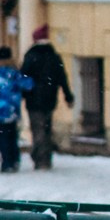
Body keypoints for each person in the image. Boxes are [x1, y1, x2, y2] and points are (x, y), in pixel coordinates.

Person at [22, 27, 75, 171]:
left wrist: (22, 94)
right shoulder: (54, 57)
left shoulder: (30, 56)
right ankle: (46, 159)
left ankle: (39, 158)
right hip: (50, 99)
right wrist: (68, 96)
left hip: (33, 100)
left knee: (38, 130)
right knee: (46, 128)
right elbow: (62, 78)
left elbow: (24, 78)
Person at [0, 46, 34, 174]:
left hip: (0, 111)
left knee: (2, 138)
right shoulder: (15, 74)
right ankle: (14, 160)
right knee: (12, 136)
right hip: (14, 110)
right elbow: (28, 84)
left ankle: (5, 162)